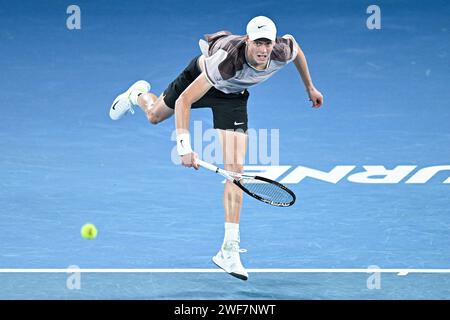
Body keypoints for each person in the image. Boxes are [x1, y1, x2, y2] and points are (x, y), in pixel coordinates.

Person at [109, 16, 323, 281]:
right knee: (154, 115)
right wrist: (185, 147)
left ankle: (229, 249)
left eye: (267, 42)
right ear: (248, 41)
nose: (262, 49)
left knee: (236, 174)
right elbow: (185, 100)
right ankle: (137, 95)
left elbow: (297, 49)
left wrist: (309, 87)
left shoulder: (283, 49)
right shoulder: (227, 61)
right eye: (257, 42)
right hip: (200, 80)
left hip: (232, 98)